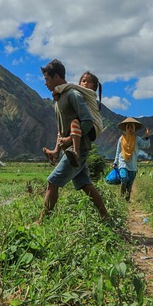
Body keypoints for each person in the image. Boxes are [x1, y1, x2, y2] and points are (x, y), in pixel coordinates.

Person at [38, 60, 110, 224]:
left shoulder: (73, 95)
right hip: (69, 150)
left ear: (56, 77)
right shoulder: (59, 100)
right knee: (86, 184)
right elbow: (61, 129)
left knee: (52, 182)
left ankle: (41, 223)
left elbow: (86, 121)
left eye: (47, 79)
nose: (45, 83)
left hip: (79, 147)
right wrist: (58, 148)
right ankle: (106, 218)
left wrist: (69, 140)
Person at [43, 71, 103, 167]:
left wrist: (58, 89)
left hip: (94, 126)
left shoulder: (90, 93)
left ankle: (75, 152)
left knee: (74, 122)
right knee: (61, 130)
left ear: (94, 87)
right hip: (89, 125)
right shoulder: (81, 96)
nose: (85, 84)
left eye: (89, 82)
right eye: (83, 81)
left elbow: (72, 86)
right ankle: (55, 152)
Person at [114, 117, 150, 202]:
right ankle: (122, 196)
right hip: (123, 162)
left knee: (130, 183)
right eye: (128, 127)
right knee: (124, 178)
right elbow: (118, 151)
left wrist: (147, 137)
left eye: (132, 127)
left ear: (134, 129)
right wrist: (115, 162)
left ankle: (127, 199)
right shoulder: (121, 139)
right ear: (126, 129)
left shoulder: (137, 139)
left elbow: (146, 145)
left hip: (133, 164)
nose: (130, 129)